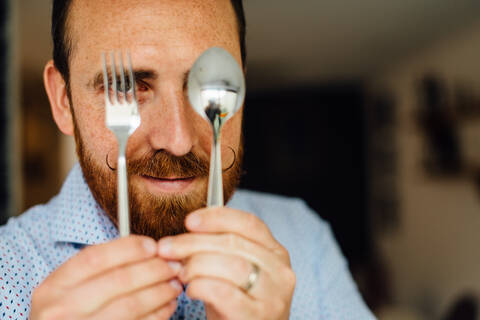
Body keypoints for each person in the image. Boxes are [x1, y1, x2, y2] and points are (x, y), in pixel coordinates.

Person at [0, 0, 375, 319]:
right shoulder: (8, 272)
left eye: (203, 85)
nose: (178, 141)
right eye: (128, 86)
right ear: (63, 100)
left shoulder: (304, 236)